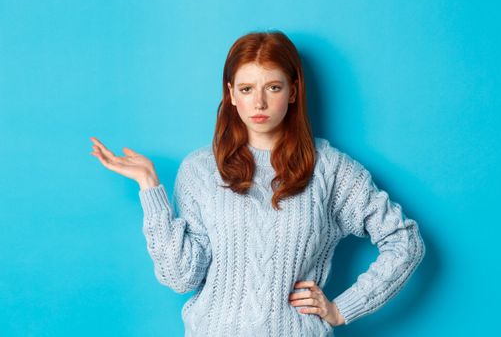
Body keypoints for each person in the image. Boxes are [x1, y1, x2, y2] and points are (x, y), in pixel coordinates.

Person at [90, 30, 426, 337]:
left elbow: (404, 240)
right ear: (231, 94)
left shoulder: (329, 168)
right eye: (247, 89)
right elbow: (181, 277)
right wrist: (150, 187)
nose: (259, 103)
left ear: (293, 91)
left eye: (273, 87)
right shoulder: (201, 169)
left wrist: (342, 309)